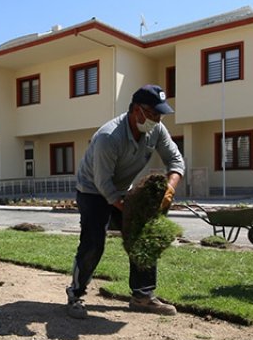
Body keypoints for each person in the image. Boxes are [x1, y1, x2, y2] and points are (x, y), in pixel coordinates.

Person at [66, 84, 185, 319]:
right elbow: (104, 186)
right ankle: (75, 294)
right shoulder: (109, 137)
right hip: (93, 190)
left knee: (144, 237)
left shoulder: (157, 130)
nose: (157, 118)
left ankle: (142, 295)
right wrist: (133, 209)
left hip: (121, 188)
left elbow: (176, 160)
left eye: (160, 114)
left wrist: (170, 188)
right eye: (152, 113)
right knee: (93, 243)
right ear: (136, 110)